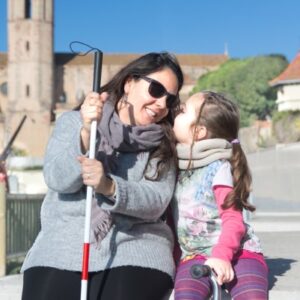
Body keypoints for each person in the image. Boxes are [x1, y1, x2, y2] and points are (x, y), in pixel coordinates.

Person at [21, 52, 184, 300]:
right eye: (156, 89)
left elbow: (155, 201)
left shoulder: (162, 143)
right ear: (129, 83)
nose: (162, 103)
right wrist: (86, 133)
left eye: (170, 99)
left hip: (136, 247)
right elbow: (57, 178)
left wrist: (109, 186)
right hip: (62, 245)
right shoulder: (73, 122)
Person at [172, 91, 268, 300]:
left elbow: (234, 220)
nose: (176, 111)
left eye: (183, 110)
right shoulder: (177, 167)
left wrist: (222, 257)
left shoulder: (218, 168)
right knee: (186, 295)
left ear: (198, 131)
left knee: (252, 296)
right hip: (194, 256)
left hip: (239, 253)